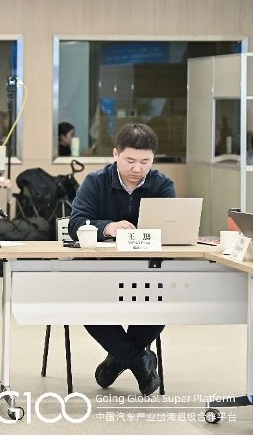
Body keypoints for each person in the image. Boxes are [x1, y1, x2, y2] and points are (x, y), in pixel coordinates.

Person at [68, 123, 174, 396]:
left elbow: (172, 230)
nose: (137, 168)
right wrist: (108, 227)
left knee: (163, 303)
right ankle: (139, 361)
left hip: (147, 269)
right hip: (100, 269)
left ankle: (119, 360)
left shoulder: (162, 185)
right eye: (130, 160)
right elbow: (76, 224)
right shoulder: (96, 181)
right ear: (116, 154)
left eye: (145, 162)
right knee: (86, 305)